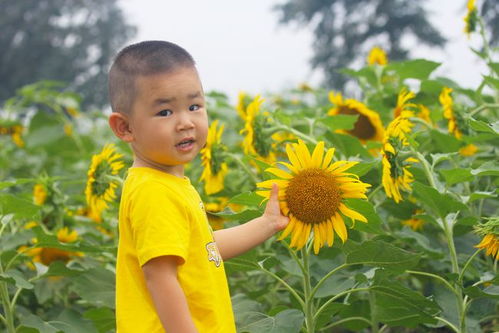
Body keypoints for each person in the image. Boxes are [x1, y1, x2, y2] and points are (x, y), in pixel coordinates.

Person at [107, 40, 289, 333]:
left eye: (194, 106)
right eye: (165, 112)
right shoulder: (153, 192)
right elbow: (160, 277)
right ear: (124, 128)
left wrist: (266, 224)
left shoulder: (167, 183)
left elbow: (203, 250)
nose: (185, 123)